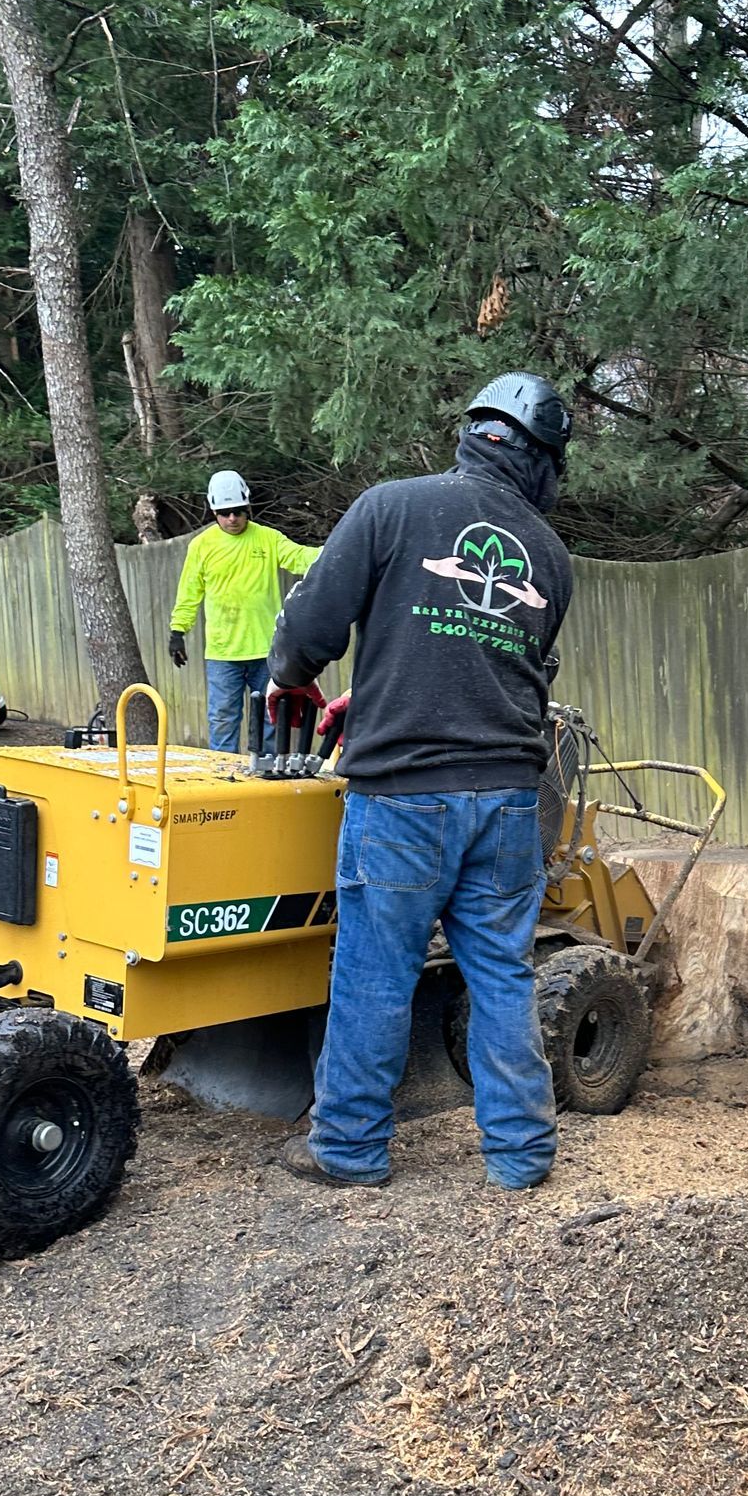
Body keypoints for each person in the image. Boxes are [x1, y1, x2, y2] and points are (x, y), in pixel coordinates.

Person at [265, 372, 575, 1192]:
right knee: (503, 973)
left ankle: (351, 1149)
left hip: (402, 798)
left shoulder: (391, 507)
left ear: (476, 434)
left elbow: (309, 630)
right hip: (508, 800)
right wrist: (372, 693)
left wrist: (290, 671)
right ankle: (521, 1156)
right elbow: (496, 667)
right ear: (542, 461)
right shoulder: (549, 556)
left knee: (375, 971)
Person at [168, 471, 320, 753]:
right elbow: (189, 592)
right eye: (225, 513)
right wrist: (178, 631)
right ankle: (223, 779)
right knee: (223, 720)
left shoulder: (268, 538)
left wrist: (335, 551)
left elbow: (299, 557)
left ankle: (268, 776)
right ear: (214, 510)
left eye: (238, 512)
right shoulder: (202, 546)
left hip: (266, 650)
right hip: (223, 653)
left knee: (271, 717)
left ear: (247, 508)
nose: (232, 519)